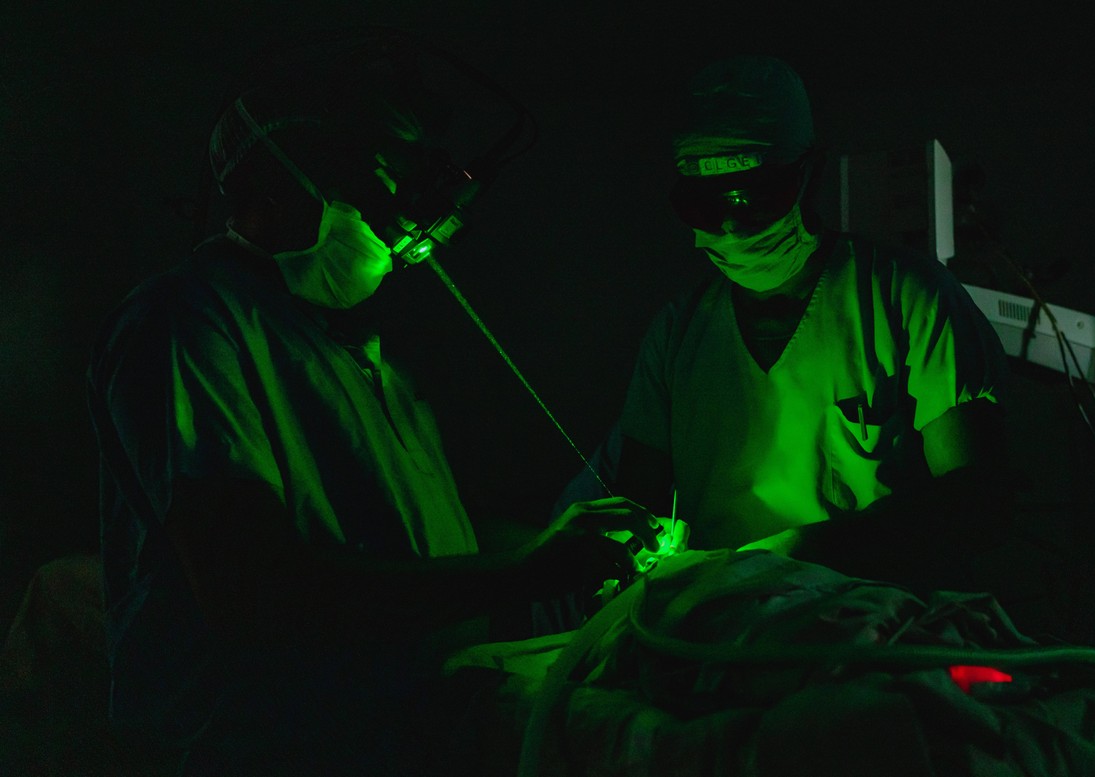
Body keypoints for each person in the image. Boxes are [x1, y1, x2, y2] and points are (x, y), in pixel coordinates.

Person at [86, 34, 656, 775]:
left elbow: (413, 548)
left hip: (400, 732)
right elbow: (251, 588)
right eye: (378, 175)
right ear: (273, 182)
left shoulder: (361, 358)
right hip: (259, 745)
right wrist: (528, 570)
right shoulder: (187, 323)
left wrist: (577, 550)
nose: (403, 211)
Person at [608, 55, 1011, 594]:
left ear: (810, 174)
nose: (730, 224)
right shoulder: (678, 334)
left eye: (751, 197)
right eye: (706, 203)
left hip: (876, 616)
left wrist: (811, 550)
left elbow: (976, 499)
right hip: (725, 619)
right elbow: (637, 506)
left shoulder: (907, 297)